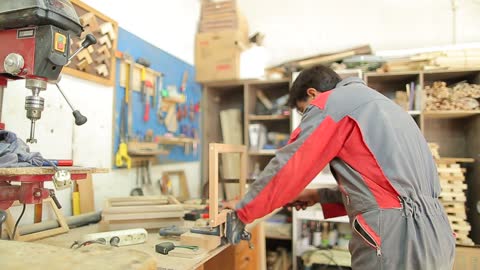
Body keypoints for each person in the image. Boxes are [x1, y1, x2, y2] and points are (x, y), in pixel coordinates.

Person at [228, 65, 455, 269]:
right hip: (438, 233)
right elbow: (386, 187)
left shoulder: (332, 103)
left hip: (397, 240)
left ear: (313, 94)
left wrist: (244, 209)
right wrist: (319, 195)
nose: (307, 117)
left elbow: (292, 162)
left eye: (304, 111)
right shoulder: (383, 106)